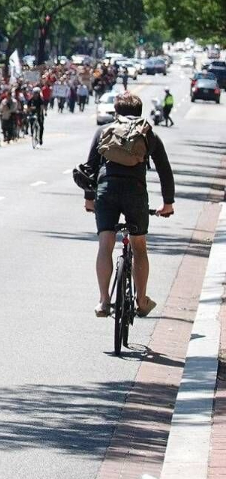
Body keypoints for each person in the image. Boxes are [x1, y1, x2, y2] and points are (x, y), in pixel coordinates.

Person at [83, 91, 175, 318]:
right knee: (139, 246)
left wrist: (89, 198)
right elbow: (164, 170)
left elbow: (90, 168)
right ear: (139, 112)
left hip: (106, 191)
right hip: (135, 193)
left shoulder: (104, 131)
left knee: (105, 244)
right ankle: (141, 301)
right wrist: (168, 203)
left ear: (117, 112)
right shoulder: (148, 133)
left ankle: (104, 301)